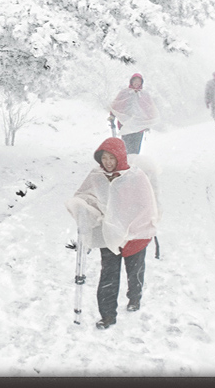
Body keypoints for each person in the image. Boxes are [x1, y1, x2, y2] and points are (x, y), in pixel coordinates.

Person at [65, 137, 159, 330]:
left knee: (134, 271)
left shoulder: (135, 176)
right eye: (104, 158)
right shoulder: (96, 175)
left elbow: (146, 205)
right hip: (108, 232)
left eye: (111, 158)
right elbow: (84, 195)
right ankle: (107, 315)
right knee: (108, 274)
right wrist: (84, 207)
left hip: (135, 232)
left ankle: (135, 297)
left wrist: (128, 225)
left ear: (120, 158)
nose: (108, 162)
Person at [109, 73, 160, 154]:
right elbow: (116, 105)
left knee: (136, 148)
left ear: (141, 83)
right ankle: (126, 163)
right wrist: (112, 116)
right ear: (131, 82)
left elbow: (149, 109)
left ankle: (133, 163)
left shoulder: (144, 95)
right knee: (126, 147)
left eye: (138, 81)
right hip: (126, 124)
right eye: (135, 81)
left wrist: (148, 123)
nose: (136, 83)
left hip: (139, 126)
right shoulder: (124, 93)